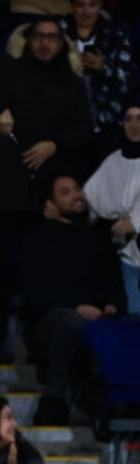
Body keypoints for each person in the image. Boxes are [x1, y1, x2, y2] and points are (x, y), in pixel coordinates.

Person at [0, 15, 93, 362]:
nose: (45, 44)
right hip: (4, 194)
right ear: (27, 40)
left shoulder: (71, 83)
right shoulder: (5, 69)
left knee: (42, 281)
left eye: (53, 38)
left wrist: (54, 144)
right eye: (39, 37)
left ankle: (40, 353)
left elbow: (86, 132)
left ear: (62, 44)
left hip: (46, 201)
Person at [20, 174, 124, 425]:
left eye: (77, 189)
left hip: (97, 319)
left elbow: (114, 283)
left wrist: (112, 304)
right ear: (51, 204)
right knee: (71, 321)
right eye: (65, 192)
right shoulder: (37, 238)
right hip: (51, 323)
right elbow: (35, 292)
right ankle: (53, 401)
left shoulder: (98, 238)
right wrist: (78, 307)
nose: (76, 195)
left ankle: (110, 405)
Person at [84, 101, 140, 315]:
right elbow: (90, 200)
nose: (134, 125)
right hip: (118, 253)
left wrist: (134, 222)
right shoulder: (113, 160)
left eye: (139, 118)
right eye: (128, 119)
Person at [61, 0, 137, 143]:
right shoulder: (56, 32)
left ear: (100, 6)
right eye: (80, 5)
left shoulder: (115, 33)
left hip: (108, 124)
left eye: (92, 5)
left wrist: (104, 68)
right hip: (65, 122)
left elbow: (130, 81)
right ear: (71, 6)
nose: (86, 11)